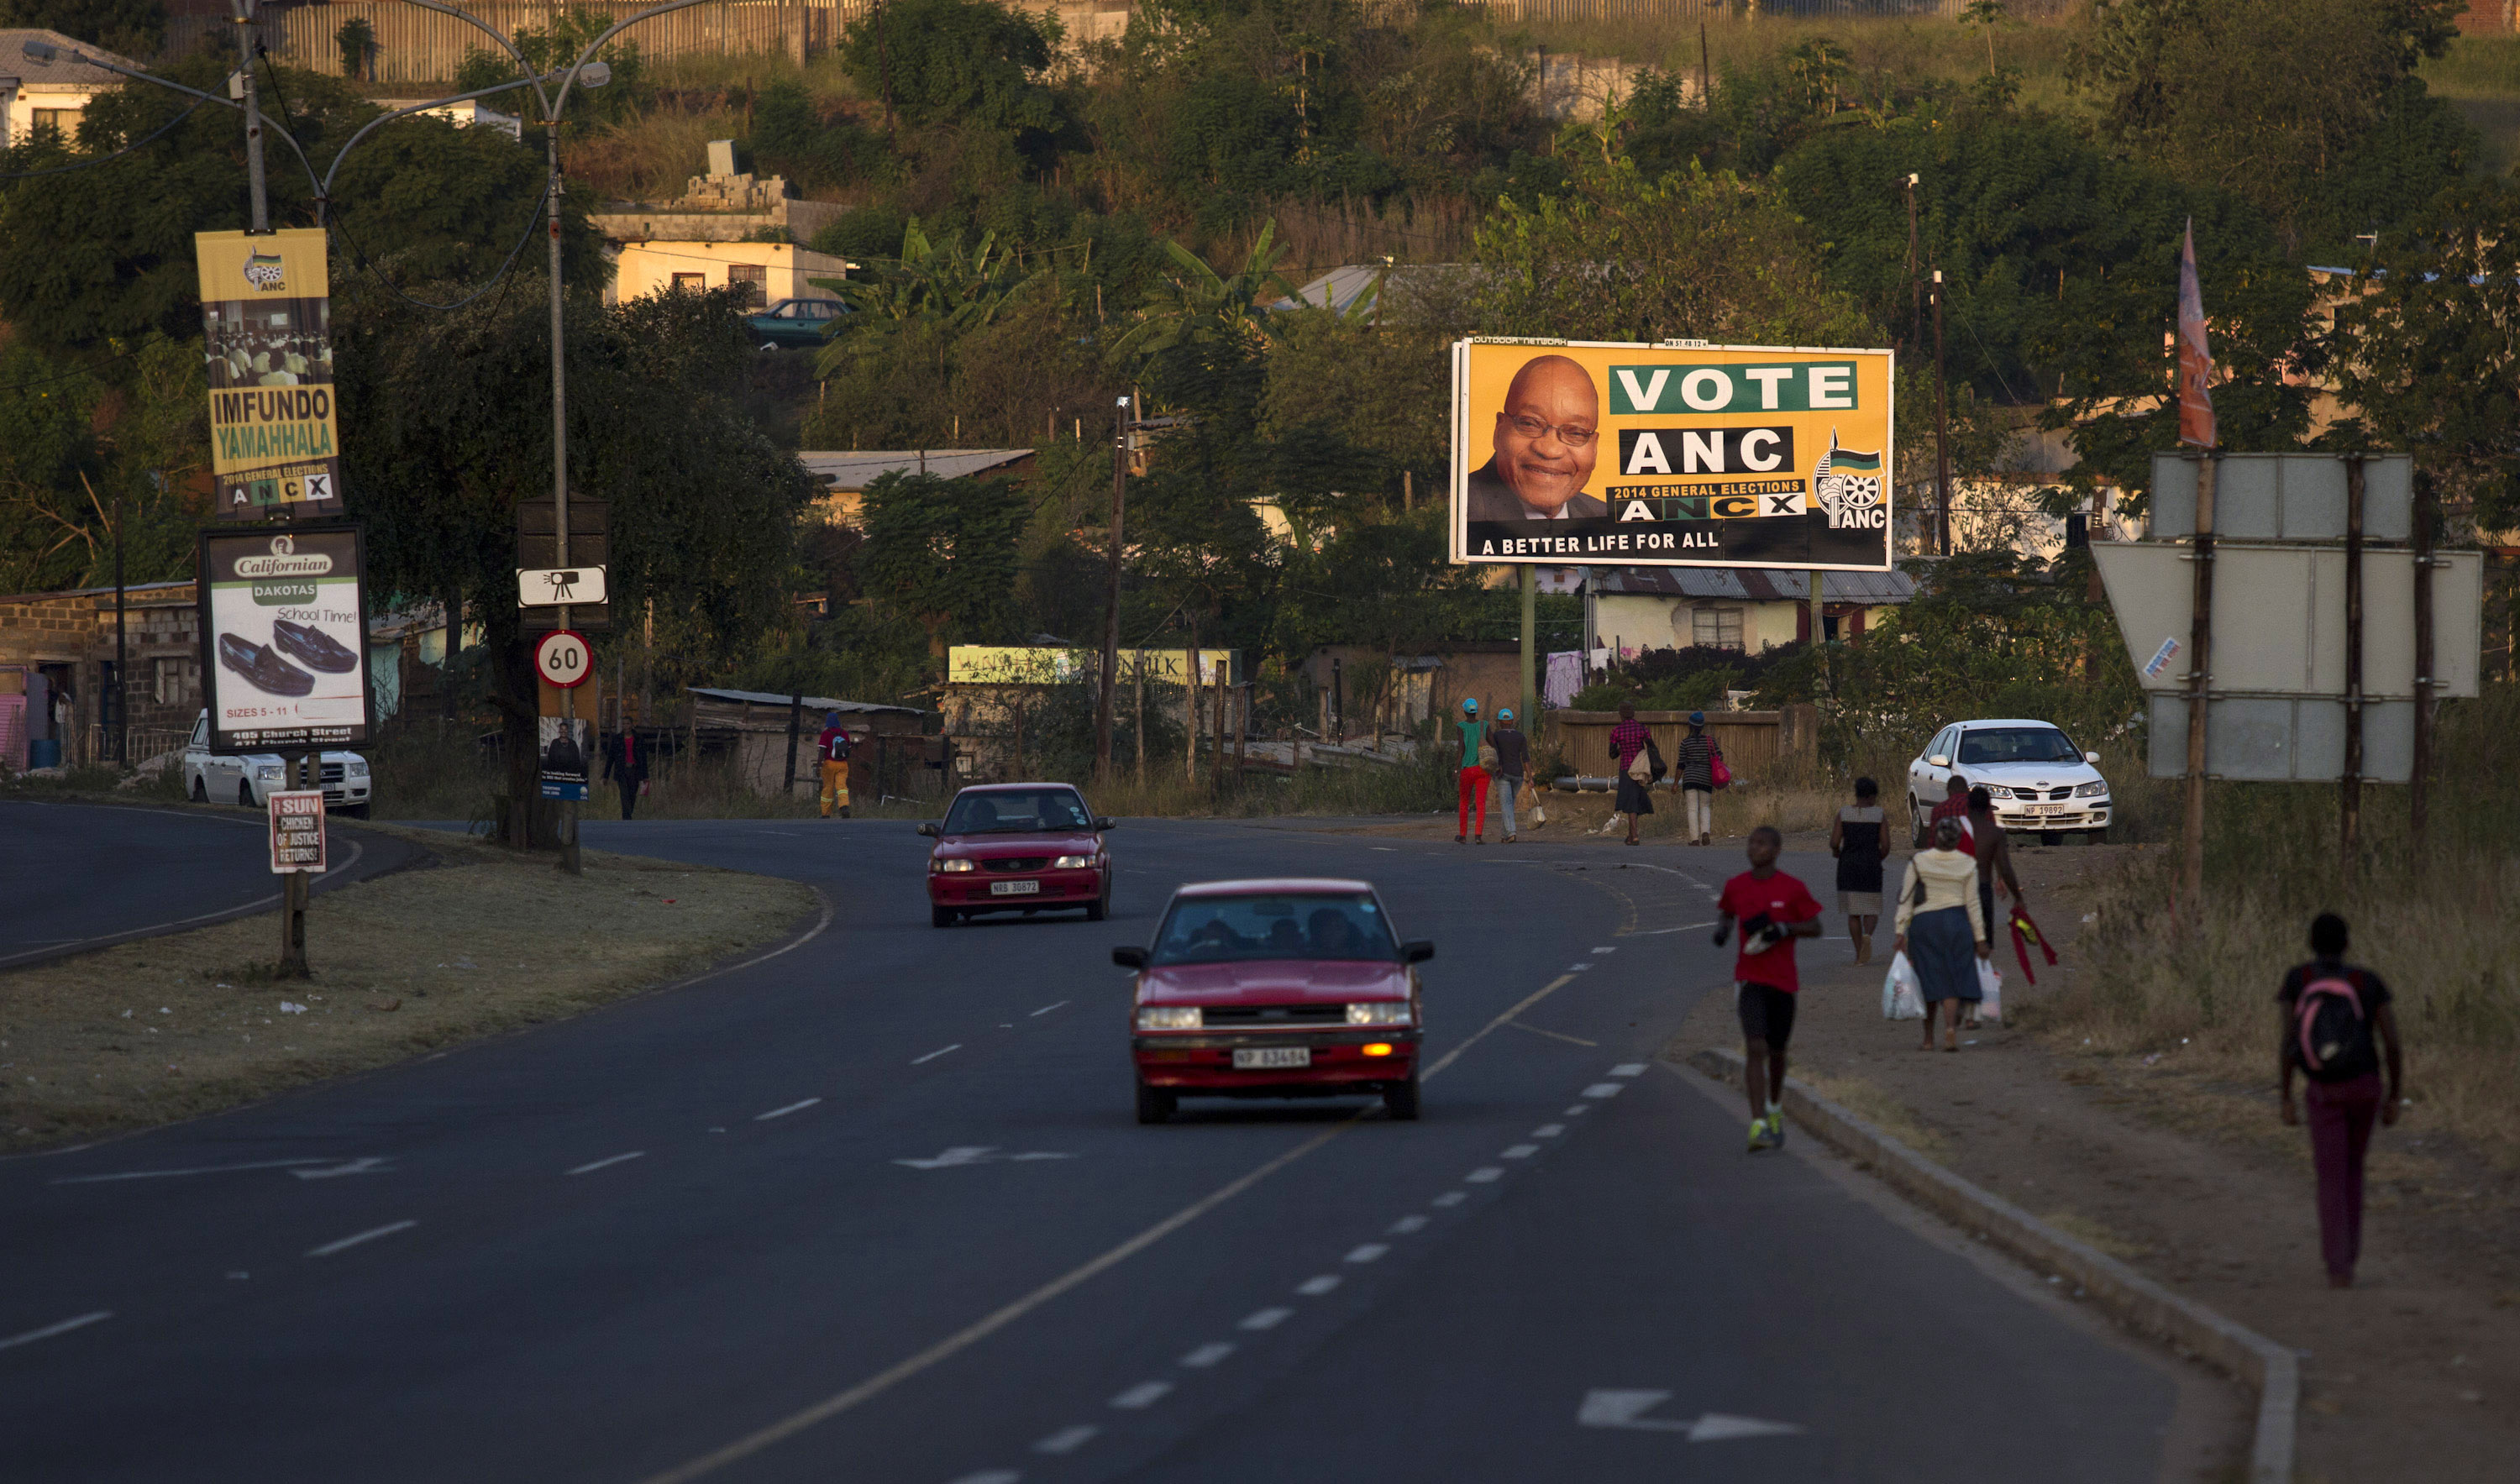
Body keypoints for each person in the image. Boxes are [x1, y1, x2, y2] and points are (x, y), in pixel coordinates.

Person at [2278, 913, 2405, 1288]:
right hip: (2365, 1086)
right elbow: (2393, 1044)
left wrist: (2285, 1095)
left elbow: (2288, 1042)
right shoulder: (2366, 982)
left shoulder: (2299, 980)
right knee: (2354, 1169)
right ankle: (2350, 1253)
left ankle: (2339, 1265)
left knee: (2330, 1176)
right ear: (2348, 943)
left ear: (2310, 944)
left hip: (2323, 1092)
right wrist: (2395, 1094)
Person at [1712, 825, 1824, 1152]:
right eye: (1751, 842)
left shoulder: (1792, 888)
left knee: (1777, 1053)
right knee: (1755, 1046)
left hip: (1784, 983)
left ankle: (1774, 1107)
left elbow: (1816, 926)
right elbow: (1726, 913)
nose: (1754, 848)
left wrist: (1786, 928)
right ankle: (1758, 1123)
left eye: (1762, 844)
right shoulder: (1736, 886)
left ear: (1776, 851)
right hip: (1750, 980)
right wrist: (1722, 931)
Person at [1466, 355, 1610, 522]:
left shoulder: (1606, 517)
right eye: (1530, 424)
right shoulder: (1460, 511)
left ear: (1594, 448)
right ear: (1499, 431)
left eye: (1576, 433)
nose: (1550, 450)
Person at [1893, 816, 1990, 1052]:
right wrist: (1980, 938)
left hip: (1925, 925)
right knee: (1952, 981)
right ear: (1958, 839)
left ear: (1935, 836)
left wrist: (1899, 931)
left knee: (1928, 980)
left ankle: (1927, 1039)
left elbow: (1906, 899)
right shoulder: (1967, 863)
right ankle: (1950, 1031)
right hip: (1957, 923)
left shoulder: (1918, 861)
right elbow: (1973, 904)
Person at [1962, 784, 2024, 1027]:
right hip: (1981, 892)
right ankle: (1971, 1013)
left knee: (1961, 951)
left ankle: (1959, 1006)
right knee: (1981, 950)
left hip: (1957, 893)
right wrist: (2017, 895)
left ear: (1967, 806)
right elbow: (2005, 868)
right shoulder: (1994, 833)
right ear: (1988, 807)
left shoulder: (1956, 828)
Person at [1830, 777, 1887, 963]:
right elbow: (1886, 845)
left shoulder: (1844, 813)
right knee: (1871, 908)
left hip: (1848, 865)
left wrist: (1837, 852)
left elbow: (1834, 841)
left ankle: (1858, 954)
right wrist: (1878, 858)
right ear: (1871, 797)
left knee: (1853, 913)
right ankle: (1868, 936)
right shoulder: (1879, 815)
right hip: (1871, 865)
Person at [1608, 700, 1652, 847]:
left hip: (1626, 769)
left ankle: (1634, 836)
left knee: (1630, 802)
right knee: (1636, 800)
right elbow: (1651, 746)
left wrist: (1622, 749)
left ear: (1620, 714)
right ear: (1633, 713)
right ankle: (1631, 835)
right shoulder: (1642, 728)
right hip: (1640, 769)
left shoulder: (1616, 731)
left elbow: (1612, 754)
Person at [1489, 706, 1530, 842]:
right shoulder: (1520, 736)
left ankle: (1511, 833)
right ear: (1512, 720)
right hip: (1518, 775)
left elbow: (1493, 755)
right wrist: (1530, 777)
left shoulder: (1496, 736)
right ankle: (1504, 834)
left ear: (1500, 721)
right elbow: (1525, 758)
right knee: (1509, 804)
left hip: (1503, 774)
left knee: (1506, 804)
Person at [1676, 712, 1716, 846]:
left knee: (1692, 809)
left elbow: (1681, 764)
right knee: (1705, 807)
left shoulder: (1685, 743)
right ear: (1702, 727)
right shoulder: (1710, 741)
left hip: (1690, 778)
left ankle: (1694, 839)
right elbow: (1719, 757)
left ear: (1690, 726)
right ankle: (1705, 833)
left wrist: (1675, 783)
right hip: (1706, 778)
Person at [1454, 697, 1489, 845]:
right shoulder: (1484, 725)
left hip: (1467, 769)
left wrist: (1456, 768)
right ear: (1476, 711)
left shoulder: (1461, 726)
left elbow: (1461, 748)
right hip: (1483, 769)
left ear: (1464, 711)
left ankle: (1463, 835)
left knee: (1464, 802)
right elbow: (1493, 743)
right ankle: (1478, 835)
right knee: (1480, 802)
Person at [601, 729, 648, 821]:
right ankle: (626, 816)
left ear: (631, 725)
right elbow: (610, 758)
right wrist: (605, 776)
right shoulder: (617, 740)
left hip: (635, 770)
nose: (626, 726)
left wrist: (645, 776)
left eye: (628, 724)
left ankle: (629, 812)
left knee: (632, 793)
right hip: (622, 770)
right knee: (624, 793)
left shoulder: (638, 739)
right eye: (624, 724)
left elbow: (643, 758)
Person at [816, 711, 854, 819]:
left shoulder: (826, 733)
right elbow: (848, 750)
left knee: (828, 787)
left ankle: (826, 813)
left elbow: (822, 751)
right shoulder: (845, 733)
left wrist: (818, 766)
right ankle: (844, 806)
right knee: (842, 787)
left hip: (829, 764)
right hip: (843, 764)